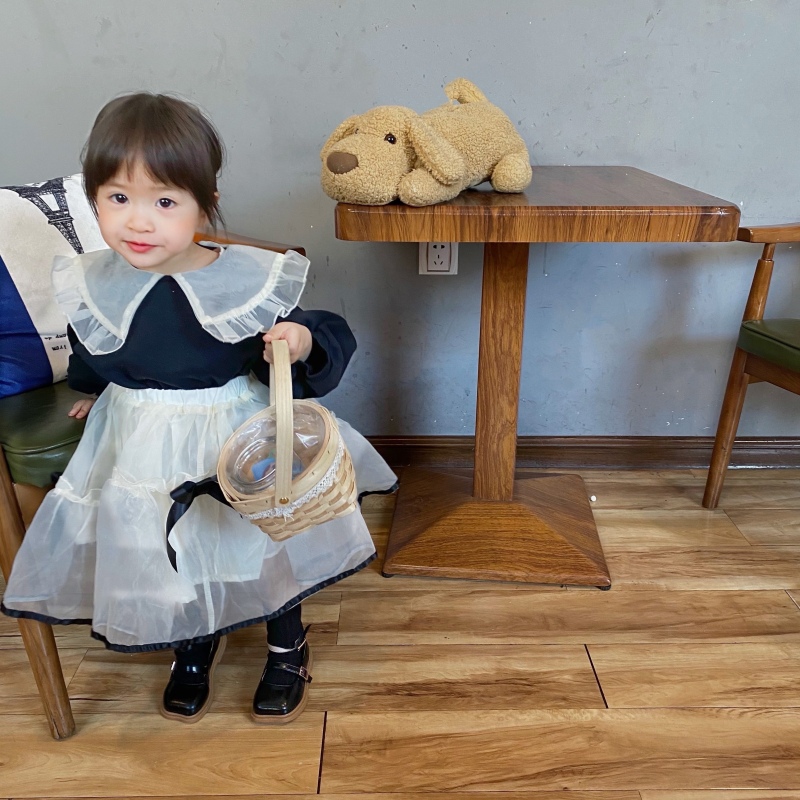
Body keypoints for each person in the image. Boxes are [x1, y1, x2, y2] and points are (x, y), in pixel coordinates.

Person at [1, 93, 397, 725]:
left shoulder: (244, 279)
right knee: (173, 543)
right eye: (118, 198)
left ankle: (286, 645)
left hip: (230, 433)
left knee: (261, 542)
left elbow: (311, 334)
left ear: (204, 204)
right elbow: (93, 348)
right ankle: (193, 641)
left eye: (164, 202)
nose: (138, 222)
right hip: (140, 436)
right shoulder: (93, 280)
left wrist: (298, 340)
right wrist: (95, 389)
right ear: (94, 200)